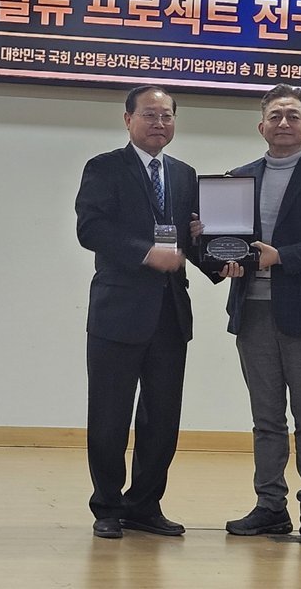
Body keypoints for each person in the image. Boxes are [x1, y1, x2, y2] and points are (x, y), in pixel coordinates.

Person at [194, 83, 301, 547]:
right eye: (275, 116)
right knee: (266, 419)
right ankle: (270, 507)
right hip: (252, 312)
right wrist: (209, 247)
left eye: (292, 115)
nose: (283, 123)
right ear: (261, 126)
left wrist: (280, 257)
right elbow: (225, 245)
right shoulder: (238, 178)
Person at [75, 84, 200, 539]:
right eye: (149, 114)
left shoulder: (185, 175)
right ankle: (107, 506)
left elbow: (190, 240)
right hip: (118, 312)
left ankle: (145, 504)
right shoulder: (104, 167)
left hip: (170, 313)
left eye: (167, 116)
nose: (159, 123)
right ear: (128, 119)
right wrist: (146, 253)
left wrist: (225, 256)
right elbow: (91, 229)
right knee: (110, 415)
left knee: (162, 418)